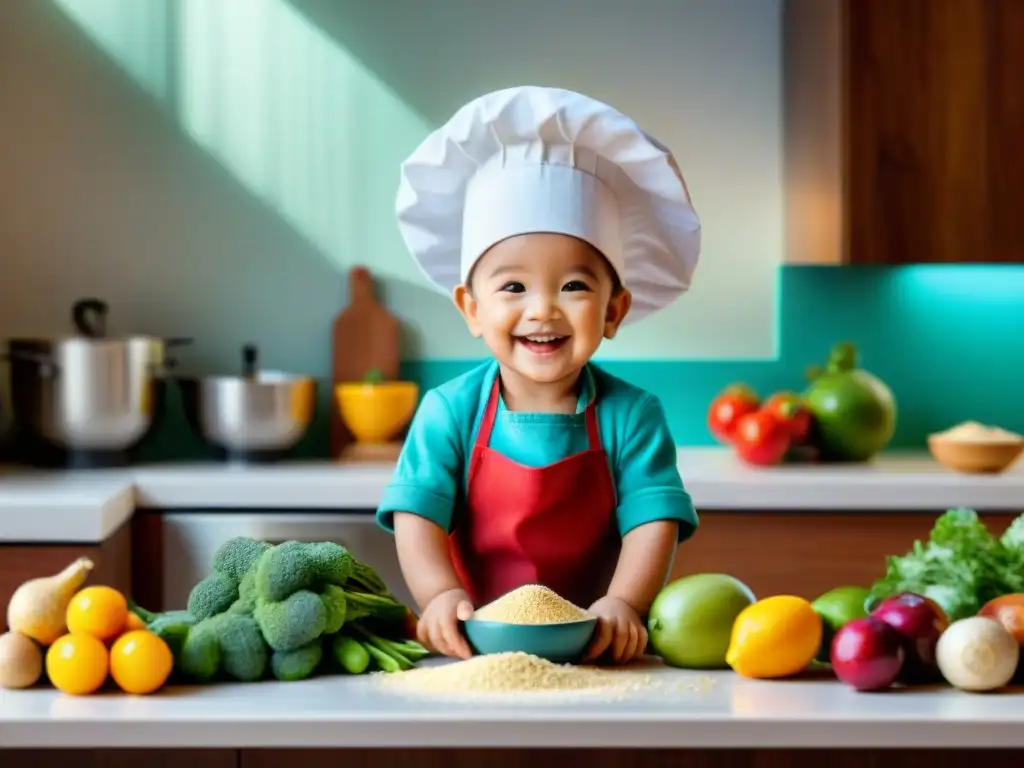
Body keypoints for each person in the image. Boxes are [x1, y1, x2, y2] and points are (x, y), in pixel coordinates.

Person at [376, 85, 701, 665]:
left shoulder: (633, 415)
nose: (543, 310)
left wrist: (624, 602)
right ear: (472, 309)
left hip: (598, 650)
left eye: (574, 286)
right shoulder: (449, 411)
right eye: (513, 287)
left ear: (614, 310)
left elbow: (655, 521)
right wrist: (438, 596)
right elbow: (416, 515)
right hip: (475, 653)